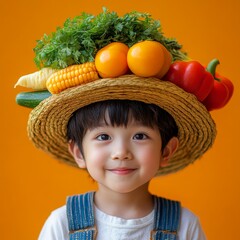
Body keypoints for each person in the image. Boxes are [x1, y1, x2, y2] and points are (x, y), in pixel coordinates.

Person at [25, 72, 216, 239]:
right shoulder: (62, 224)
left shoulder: (185, 225)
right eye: (103, 136)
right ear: (78, 153)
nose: (121, 153)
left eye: (140, 136)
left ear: (165, 151)